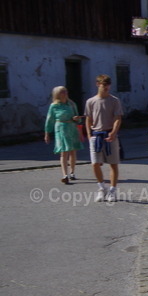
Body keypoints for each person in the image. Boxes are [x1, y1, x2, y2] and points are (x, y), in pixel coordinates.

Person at [84, 74, 123, 202]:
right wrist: (89, 134)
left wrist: (113, 131)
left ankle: (112, 190)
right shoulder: (90, 101)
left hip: (109, 134)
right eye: (103, 84)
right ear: (97, 84)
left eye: (107, 84)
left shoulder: (114, 101)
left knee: (113, 163)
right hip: (96, 134)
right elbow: (88, 118)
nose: (106, 87)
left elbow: (118, 118)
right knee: (95, 163)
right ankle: (101, 187)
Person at [44, 85, 84, 184]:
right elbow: (49, 120)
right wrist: (47, 133)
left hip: (71, 127)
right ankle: (64, 175)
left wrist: (77, 119)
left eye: (66, 91)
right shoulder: (54, 106)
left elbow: (78, 118)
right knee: (64, 151)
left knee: (73, 151)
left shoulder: (71, 104)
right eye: (62, 92)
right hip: (60, 128)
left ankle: (72, 172)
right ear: (57, 94)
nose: (65, 93)